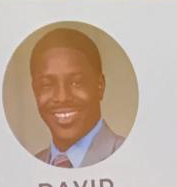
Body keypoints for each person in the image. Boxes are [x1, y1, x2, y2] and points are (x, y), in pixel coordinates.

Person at [30, 27, 125, 168]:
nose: (62, 97)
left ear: (100, 86)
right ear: (35, 91)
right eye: (47, 85)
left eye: (76, 82)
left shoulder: (128, 156)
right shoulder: (29, 167)